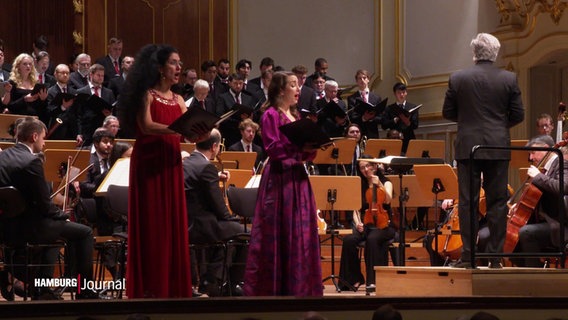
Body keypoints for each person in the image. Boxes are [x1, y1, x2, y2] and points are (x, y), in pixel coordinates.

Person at [119, 44, 195, 298]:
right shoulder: (147, 94)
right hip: (149, 163)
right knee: (152, 224)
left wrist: (204, 130)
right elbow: (147, 125)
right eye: (174, 62)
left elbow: (190, 130)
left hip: (170, 163)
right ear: (160, 68)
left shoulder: (181, 100)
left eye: (180, 63)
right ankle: (151, 286)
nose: (179, 68)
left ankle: (173, 287)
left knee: (172, 222)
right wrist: (178, 129)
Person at [442, 33, 524, 268]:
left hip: (468, 145)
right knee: (497, 202)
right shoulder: (509, 78)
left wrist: (469, 121)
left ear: (474, 53)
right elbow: (518, 114)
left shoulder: (458, 78)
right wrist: (497, 126)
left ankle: (468, 257)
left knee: (467, 201)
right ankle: (496, 258)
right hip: (497, 145)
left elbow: (448, 112)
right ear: (495, 53)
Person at [243, 71, 322, 296]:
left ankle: (301, 287)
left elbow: (303, 153)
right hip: (280, 180)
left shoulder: (295, 117)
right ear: (280, 90)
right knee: (280, 231)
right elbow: (273, 148)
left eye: (298, 85)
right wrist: (300, 149)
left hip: (298, 178)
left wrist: (311, 148)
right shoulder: (270, 115)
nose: (298, 90)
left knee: (301, 232)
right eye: (293, 85)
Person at [0, 117, 96, 299]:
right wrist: (61, 215)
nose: (44, 143)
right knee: (84, 233)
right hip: (32, 227)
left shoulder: (2, 157)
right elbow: (44, 205)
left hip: (7, 227)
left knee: (55, 235)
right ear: (34, 136)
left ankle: (41, 289)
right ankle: (84, 290)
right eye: (43, 138)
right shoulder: (31, 161)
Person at [183, 128, 247, 296]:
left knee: (230, 231)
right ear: (214, 147)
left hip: (185, 223)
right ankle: (224, 282)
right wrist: (232, 219)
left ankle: (211, 279)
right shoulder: (206, 167)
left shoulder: (186, 163)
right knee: (243, 233)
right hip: (199, 226)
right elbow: (220, 208)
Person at [338, 156, 396, 291]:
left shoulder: (386, 182)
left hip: (384, 224)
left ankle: (374, 281)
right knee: (349, 240)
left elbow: (387, 200)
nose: (365, 170)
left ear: (374, 167)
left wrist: (379, 185)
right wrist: (357, 223)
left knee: (372, 239)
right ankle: (354, 279)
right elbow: (355, 208)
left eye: (367, 166)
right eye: (362, 168)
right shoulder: (361, 185)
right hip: (367, 223)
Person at [513, 136, 568, 267]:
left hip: (558, 224)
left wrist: (538, 176)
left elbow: (563, 186)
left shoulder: (561, 163)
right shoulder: (546, 169)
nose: (531, 158)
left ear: (544, 149)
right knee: (512, 236)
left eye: (533, 152)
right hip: (546, 221)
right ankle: (522, 275)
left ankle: (534, 277)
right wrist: (520, 206)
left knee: (526, 233)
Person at [76, 63, 116, 146]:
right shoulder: (81, 92)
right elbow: (78, 115)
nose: (101, 78)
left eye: (102, 76)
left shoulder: (109, 92)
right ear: (91, 74)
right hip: (87, 131)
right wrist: (79, 133)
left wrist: (109, 114)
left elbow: (113, 112)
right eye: (98, 75)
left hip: (104, 130)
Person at [5, 53, 49, 125]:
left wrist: (43, 99)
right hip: (18, 121)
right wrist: (24, 99)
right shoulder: (12, 83)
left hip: (34, 120)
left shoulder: (36, 83)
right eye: (25, 64)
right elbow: (10, 106)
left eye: (30, 64)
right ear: (18, 66)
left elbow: (42, 108)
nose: (28, 66)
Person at [382, 82, 419, 155]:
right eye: (399, 93)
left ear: (406, 93)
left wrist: (408, 123)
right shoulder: (389, 108)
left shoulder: (412, 107)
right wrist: (394, 120)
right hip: (394, 139)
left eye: (403, 92)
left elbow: (416, 125)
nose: (401, 95)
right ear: (395, 94)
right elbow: (384, 125)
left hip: (409, 139)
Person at [46, 63, 80, 141]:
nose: (65, 75)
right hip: (57, 130)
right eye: (62, 73)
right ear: (55, 74)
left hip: (72, 131)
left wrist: (79, 133)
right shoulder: (50, 91)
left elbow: (78, 114)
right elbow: (48, 111)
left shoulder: (74, 91)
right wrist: (63, 107)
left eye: (67, 73)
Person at [348, 69, 383, 139]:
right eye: (359, 78)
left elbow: (381, 117)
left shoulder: (377, 98)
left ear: (368, 79)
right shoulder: (352, 98)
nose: (362, 80)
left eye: (364, 78)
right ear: (356, 81)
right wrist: (363, 118)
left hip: (373, 133)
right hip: (358, 133)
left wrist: (371, 118)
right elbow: (352, 117)